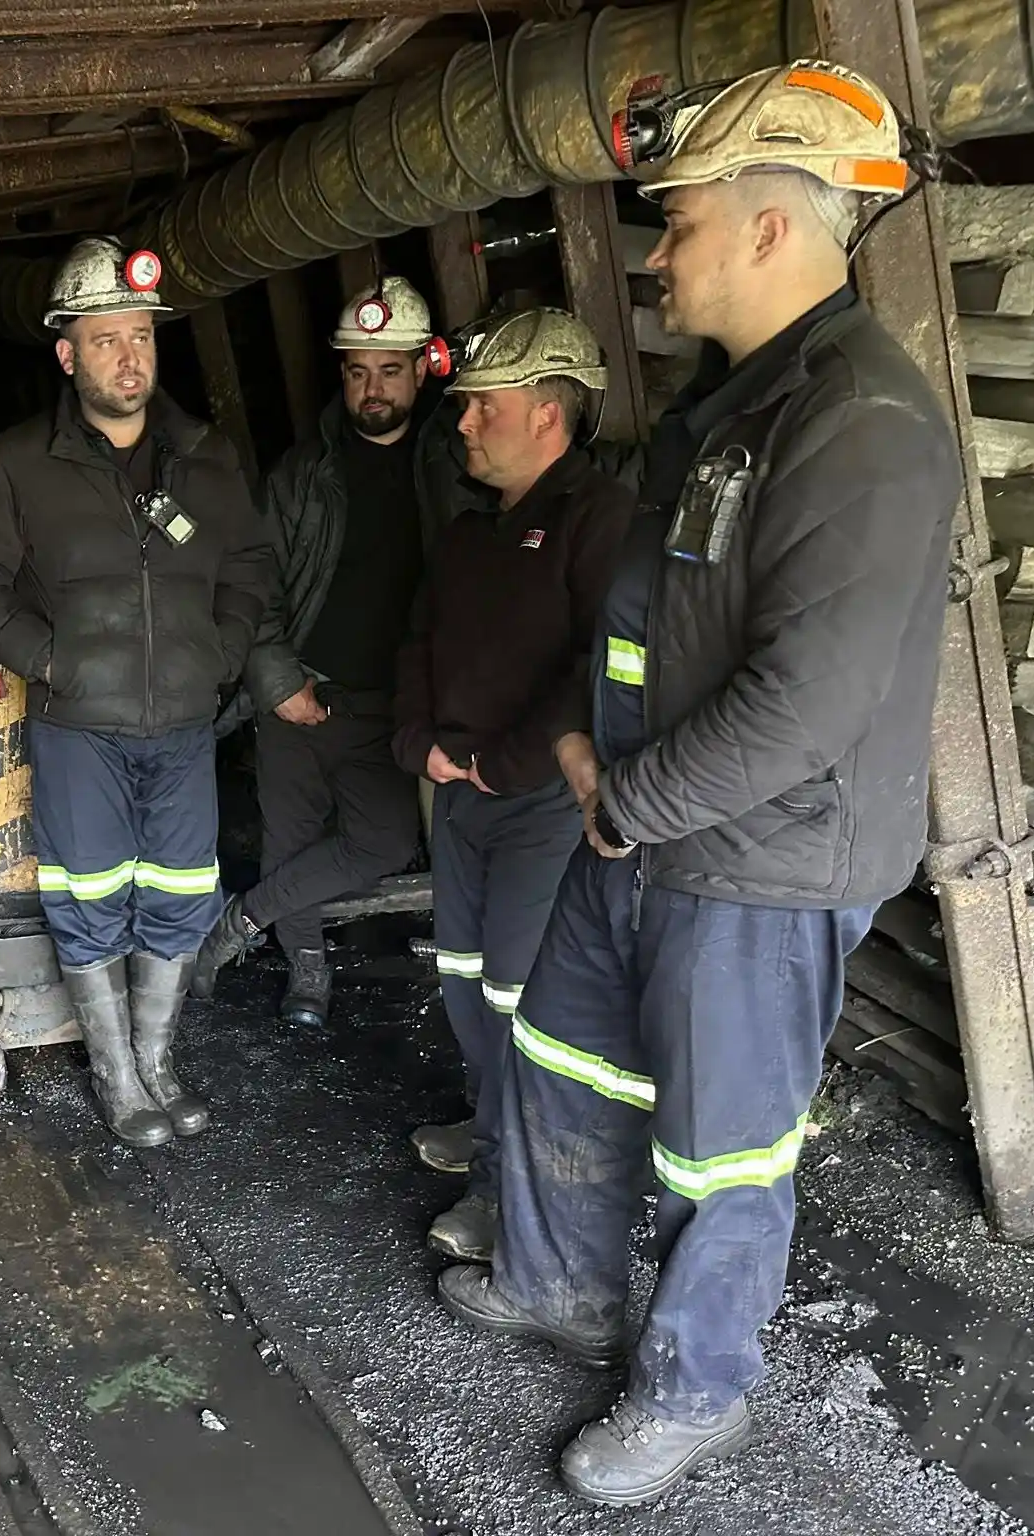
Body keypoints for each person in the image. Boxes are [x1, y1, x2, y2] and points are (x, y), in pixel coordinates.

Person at [437, 61, 958, 1505]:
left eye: (677, 224)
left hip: (756, 862)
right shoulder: (725, 409)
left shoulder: (860, 423)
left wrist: (623, 800)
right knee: (563, 1055)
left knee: (721, 1147)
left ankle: (696, 1389)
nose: (657, 256)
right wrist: (593, 753)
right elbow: (649, 624)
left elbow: (807, 703)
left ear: (770, 229)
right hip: (645, 827)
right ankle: (555, 1284)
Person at [0, 237, 274, 1146]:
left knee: (182, 893)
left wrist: (222, 651)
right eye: (107, 339)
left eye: (142, 337)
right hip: (79, 725)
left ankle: (159, 1062)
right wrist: (50, 660)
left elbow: (249, 565)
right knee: (87, 901)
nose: (130, 358)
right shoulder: (17, 464)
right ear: (67, 354)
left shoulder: (203, 457)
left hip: (184, 725)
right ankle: (117, 1076)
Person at [390, 308, 635, 1265]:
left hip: (541, 803)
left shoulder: (599, 521)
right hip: (459, 793)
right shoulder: (468, 534)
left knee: (523, 998)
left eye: (481, 405)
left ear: (545, 413)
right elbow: (418, 642)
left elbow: (600, 668)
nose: (462, 423)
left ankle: (508, 1192)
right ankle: (493, 1124)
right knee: (465, 980)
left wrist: (507, 762)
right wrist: (420, 743)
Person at [192, 276, 462, 1027]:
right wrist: (278, 681)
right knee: (290, 838)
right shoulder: (302, 474)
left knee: (384, 840)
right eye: (357, 371)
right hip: (303, 690)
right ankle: (307, 971)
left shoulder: (451, 466)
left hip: (392, 704)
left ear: (421, 370)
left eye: (389, 370)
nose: (372, 389)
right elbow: (253, 584)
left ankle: (240, 922)